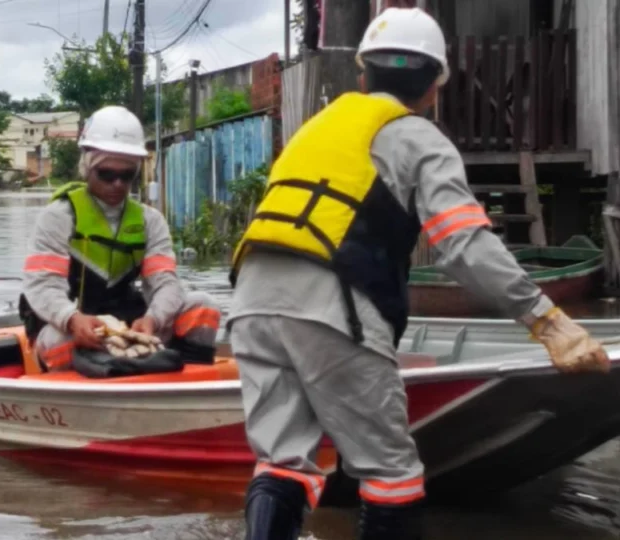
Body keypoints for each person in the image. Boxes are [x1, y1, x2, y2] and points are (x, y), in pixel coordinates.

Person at [226, 7, 610, 540]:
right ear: (435, 87)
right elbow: (464, 245)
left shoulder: (315, 127)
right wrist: (546, 320)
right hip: (331, 306)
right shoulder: (419, 139)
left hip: (249, 303)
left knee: (283, 460)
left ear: (362, 76)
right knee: (391, 475)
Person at [18, 105, 221, 373]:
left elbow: (166, 284)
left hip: (128, 321)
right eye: (107, 174)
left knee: (203, 306)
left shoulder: (151, 221)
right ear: (87, 168)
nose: (117, 184)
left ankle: (184, 385)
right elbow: (42, 286)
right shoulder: (58, 217)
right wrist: (72, 319)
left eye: (127, 176)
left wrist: (153, 319)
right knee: (59, 343)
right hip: (70, 325)